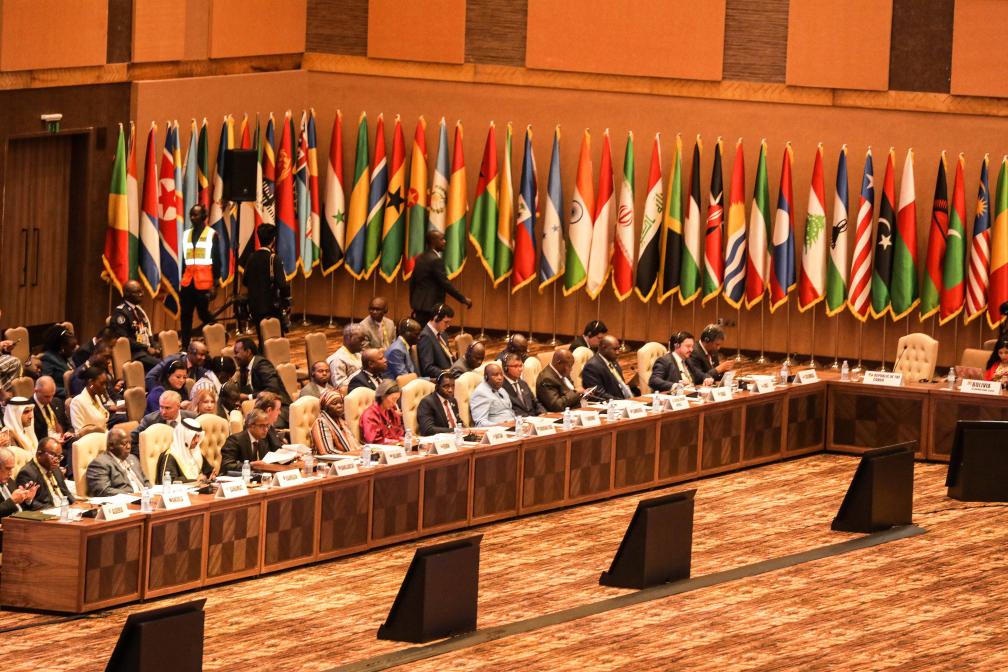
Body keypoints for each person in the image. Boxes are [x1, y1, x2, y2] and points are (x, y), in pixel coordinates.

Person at [409, 228, 472, 325]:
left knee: (420, 331)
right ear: (433, 242)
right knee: (429, 332)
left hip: (419, 305)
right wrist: (463, 299)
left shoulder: (420, 257)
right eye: (442, 239)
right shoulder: (435, 260)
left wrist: (413, 302)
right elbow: (445, 284)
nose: (445, 241)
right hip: (431, 306)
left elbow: (413, 282)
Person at [178, 204, 221, 346]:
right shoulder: (186, 234)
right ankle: (185, 346)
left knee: (203, 314)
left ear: (203, 216)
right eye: (191, 214)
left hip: (204, 283)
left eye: (195, 215)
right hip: (188, 282)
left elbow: (216, 260)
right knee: (185, 315)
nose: (192, 217)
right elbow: (185, 259)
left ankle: (219, 334)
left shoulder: (211, 234)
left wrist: (215, 284)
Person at [243, 223, 292, 345]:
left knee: (262, 338)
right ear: (274, 239)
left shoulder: (251, 257)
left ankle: (262, 355)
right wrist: (287, 300)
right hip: (271, 307)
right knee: (276, 340)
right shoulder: (274, 259)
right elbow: (282, 284)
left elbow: (245, 281)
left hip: (254, 306)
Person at [109, 280, 161, 370]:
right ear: (127, 294)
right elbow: (124, 340)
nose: (142, 294)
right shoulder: (121, 313)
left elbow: (145, 333)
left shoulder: (139, 311)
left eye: (141, 291)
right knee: (163, 366)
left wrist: (155, 345)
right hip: (135, 354)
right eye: (137, 292)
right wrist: (146, 348)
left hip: (144, 352)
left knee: (172, 361)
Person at [85, 428, 149, 496]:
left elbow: (145, 481)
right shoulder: (99, 464)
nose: (129, 446)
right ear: (111, 445)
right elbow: (103, 491)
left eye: (130, 442)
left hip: (146, 498)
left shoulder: (132, 458)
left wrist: (149, 493)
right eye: (124, 443)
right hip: (126, 501)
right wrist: (131, 495)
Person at [130, 390, 196, 455]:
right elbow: (132, 440)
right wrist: (146, 454)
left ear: (178, 406)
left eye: (168, 408)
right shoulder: (151, 420)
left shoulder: (192, 418)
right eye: (161, 407)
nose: (163, 412)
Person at [17, 437, 75, 510]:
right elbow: (28, 503)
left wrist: (76, 505)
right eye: (53, 455)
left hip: (65, 509)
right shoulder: (27, 473)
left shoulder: (55, 467)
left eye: (59, 456)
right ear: (39, 454)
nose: (57, 460)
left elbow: (66, 492)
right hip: (49, 512)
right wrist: (54, 510)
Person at [220, 409, 283, 473]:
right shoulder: (235, 440)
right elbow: (226, 465)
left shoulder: (262, 440)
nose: (266, 429)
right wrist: (250, 465)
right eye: (262, 426)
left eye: (267, 425)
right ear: (251, 425)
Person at [233, 338, 291, 405]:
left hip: (279, 405)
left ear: (248, 352)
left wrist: (249, 397)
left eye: (237, 353)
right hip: (261, 405)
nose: (234, 356)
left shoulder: (262, 364)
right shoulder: (243, 368)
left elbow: (272, 389)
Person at [156, 418, 215, 483]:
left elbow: (208, 472)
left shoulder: (195, 452)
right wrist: (195, 481)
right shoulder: (171, 456)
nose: (197, 440)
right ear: (184, 436)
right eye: (194, 436)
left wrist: (211, 475)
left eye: (198, 436)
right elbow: (168, 481)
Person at [581, 335, 635, 400]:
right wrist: (622, 401)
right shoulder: (592, 366)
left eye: (618, 349)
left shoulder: (613, 362)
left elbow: (621, 385)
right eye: (615, 349)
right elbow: (598, 394)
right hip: (611, 403)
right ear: (604, 348)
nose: (618, 352)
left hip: (626, 401)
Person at [310, 389, 360, 454]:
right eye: (334, 403)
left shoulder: (341, 421)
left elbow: (353, 446)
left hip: (347, 457)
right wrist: (353, 454)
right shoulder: (321, 423)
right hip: (330, 460)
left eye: (341, 403)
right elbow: (327, 452)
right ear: (325, 407)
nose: (339, 406)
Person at [416, 371, 464, 436]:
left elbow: (458, 422)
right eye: (446, 386)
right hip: (442, 440)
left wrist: (467, 430)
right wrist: (455, 430)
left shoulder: (452, 400)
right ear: (437, 387)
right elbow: (428, 429)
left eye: (453, 386)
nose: (451, 390)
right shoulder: (427, 402)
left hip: (458, 437)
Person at [70, 366, 113, 436]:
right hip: (92, 440)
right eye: (101, 383)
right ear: (91, 382)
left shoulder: (96, 397)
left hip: (105, 435)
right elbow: (79, 432)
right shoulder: (77, 402)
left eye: (105, 383)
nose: (104, 387)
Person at [469, 362, 516, 427]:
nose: (500, 378)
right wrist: (502, 425)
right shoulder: (481, 393)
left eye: (501, 374)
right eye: (495, 375)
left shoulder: (501, 390)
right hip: (498, 430)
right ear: (486, 377)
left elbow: (509, 411)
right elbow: (480, 423)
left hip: (513, 425)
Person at [417, 304, 455, 378]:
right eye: (446, 322)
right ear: (436, 318)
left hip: (452, 373)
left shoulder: (443, 334)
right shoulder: (425, 337)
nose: (448, 325)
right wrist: (446, 373)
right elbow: (428, 368)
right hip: (441, 379)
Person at [39, 325, 77, 400]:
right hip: (60, 399)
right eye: (72, 348)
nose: (75, 350)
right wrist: (68, 391)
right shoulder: (49, 358)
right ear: (62, 347)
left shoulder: (67, 357)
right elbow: (46, 385)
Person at [32, 377, 72, 443]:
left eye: (52, 395)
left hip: (64, 441)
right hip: (45, 445)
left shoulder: (57, 402)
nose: (50, 400)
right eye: (46, 396)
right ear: (36, 391)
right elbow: (35, 437)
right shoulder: (29, 409)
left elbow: (68, 425)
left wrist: (69, 432)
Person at [0, 446, 38, 517]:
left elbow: (20, 509)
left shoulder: (10, 481)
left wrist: (27, 499)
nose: (11, 473)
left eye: (12, 468)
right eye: (8, 468)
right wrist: (12, 501)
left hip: (21, 521)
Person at [327, 323, 365, 389]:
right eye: (360, 339)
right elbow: (341, 387)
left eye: (364, 340)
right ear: (348, 338)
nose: (363, 343)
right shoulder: (337, 360)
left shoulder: (357, 354)